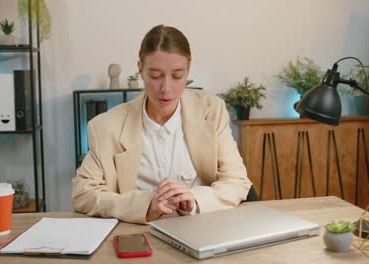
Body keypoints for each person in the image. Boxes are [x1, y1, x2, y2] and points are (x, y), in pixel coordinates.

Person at [71, 25, 252, 224]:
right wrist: (145, 206)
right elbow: (83, 194)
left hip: (202, 226)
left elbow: (237, 181)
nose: (166, 89)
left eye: (177, 76)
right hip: (137, 232)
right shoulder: (105, 126)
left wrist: (195, 200)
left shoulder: (212, 110)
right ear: (140, 69)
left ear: (188, 69)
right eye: (156, 76)